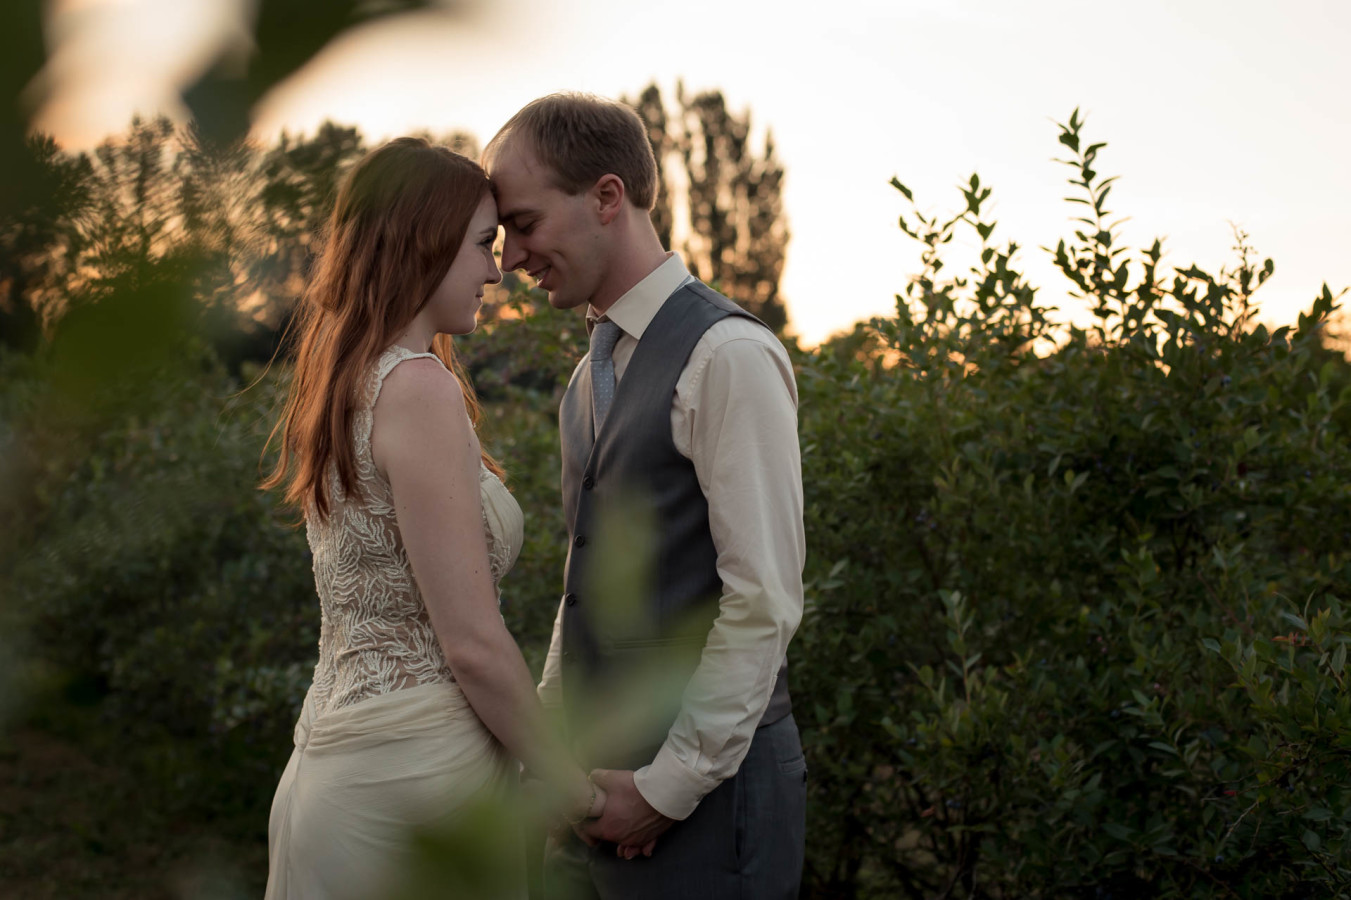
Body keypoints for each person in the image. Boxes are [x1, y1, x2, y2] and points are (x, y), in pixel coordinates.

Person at [261, 137, 604, 900]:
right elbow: (474, 644)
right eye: (483, 245)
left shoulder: (350, 377)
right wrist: (574, 792)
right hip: (411, 793)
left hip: (340, 766)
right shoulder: (416, 388)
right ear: (424, 244)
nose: (495, 268)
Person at [485, 93, 807, 899]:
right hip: (597, 798)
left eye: (523, 224)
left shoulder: (727, 355)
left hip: (710, 800)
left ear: (605, 197)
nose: (511, 257)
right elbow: (581, 592)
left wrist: (666, 789)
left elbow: (762, 598)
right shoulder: (584, 381)